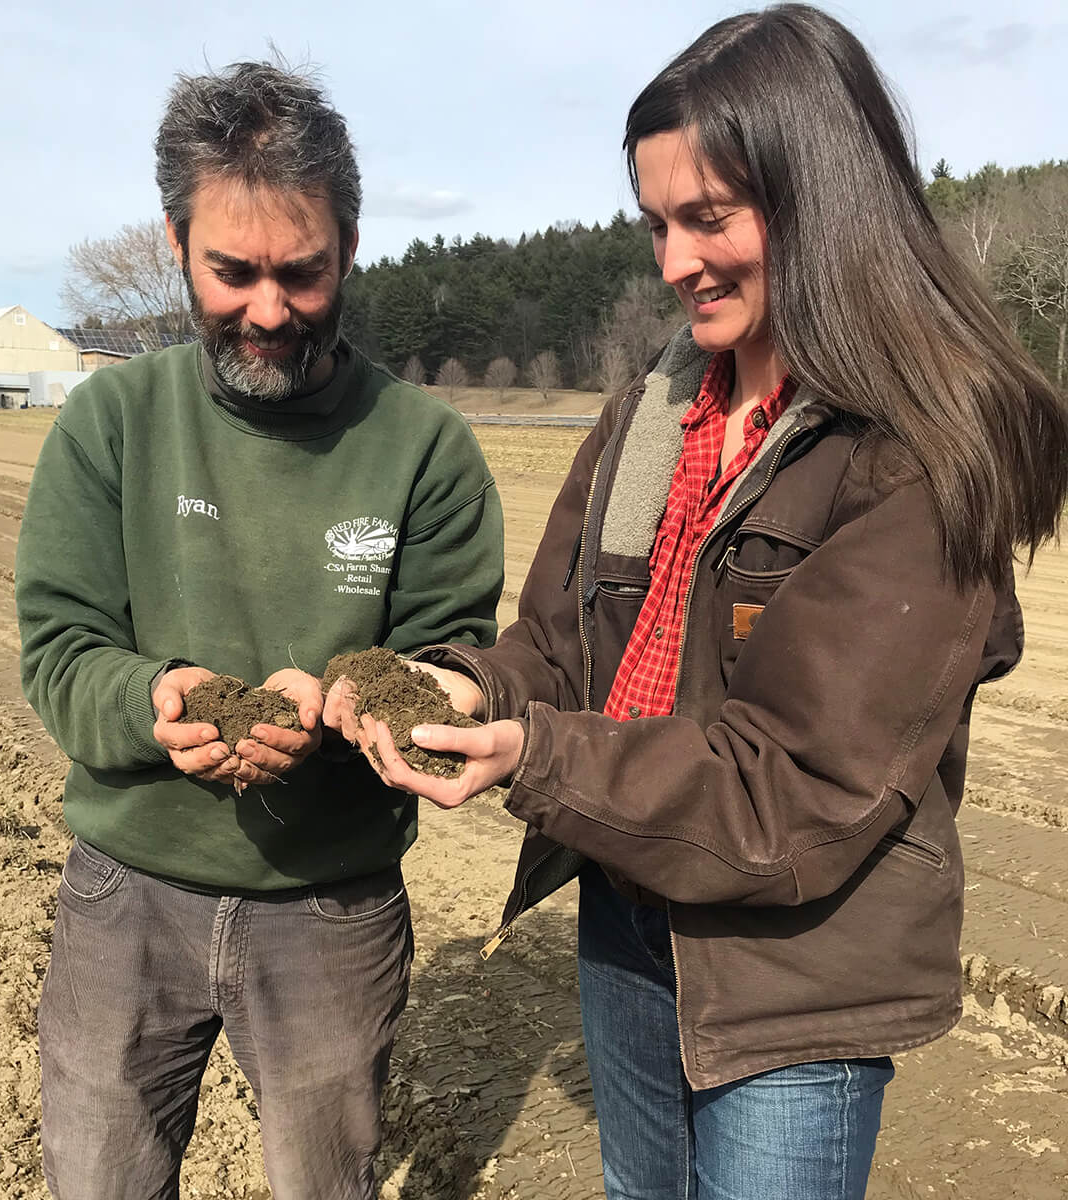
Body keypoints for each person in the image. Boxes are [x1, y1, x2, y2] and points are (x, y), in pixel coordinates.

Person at [330, 7, 1068, 1197]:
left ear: (821, 199)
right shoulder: (649, 419)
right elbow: (563, 648)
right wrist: (467, 686)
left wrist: (536, 759)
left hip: (791, 980)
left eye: (709, 217)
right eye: (658, 224)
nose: (675, 262)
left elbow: (797, 784)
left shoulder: (911, 461)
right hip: (630, 924)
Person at [14, 61, 503, 1200]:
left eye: (304, 273)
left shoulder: (424, 448)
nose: (270, 311)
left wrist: (359, 706)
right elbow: (61, 650)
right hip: (125, 890)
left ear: (350, 249)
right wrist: (161, 701)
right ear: (177, 242)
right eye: (233, 272)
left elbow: (447, 661)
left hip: (333, 910)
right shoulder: (112, 423)